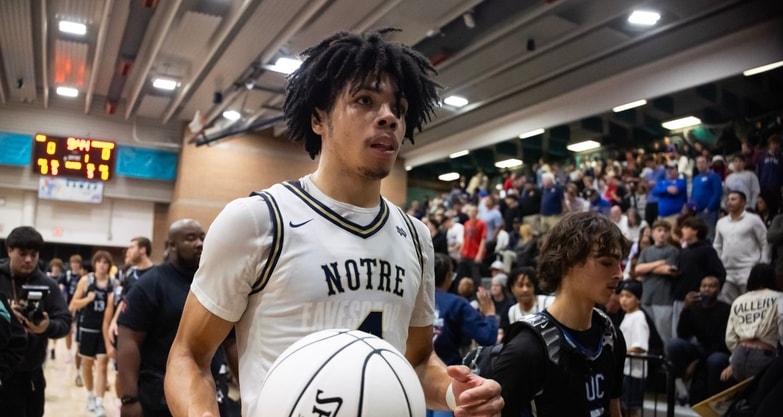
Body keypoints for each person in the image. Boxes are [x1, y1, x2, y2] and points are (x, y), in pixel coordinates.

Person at [164, 29, 503, 417]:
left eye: (399, 108)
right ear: (318, 118)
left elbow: (419, 362)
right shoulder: (259, 221)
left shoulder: (416, 236)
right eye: (364, 100)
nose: (389, 117)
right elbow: (188, 356)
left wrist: (459, 394)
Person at [491, 212, 629, 417]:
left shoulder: (612, 337)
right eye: (606, 262)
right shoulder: (527, 350)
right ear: (567, 262)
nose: (619, 274)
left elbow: (613, 408)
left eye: (620, 263)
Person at [117, 220, 231, 417]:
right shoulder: (150, 284)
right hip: (159, 397)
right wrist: (129, 398)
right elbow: (128, 341)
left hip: (211, 393)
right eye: (190, 238)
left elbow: (231, 340)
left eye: (202, 237)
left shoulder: (213, 283)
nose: (199, 243)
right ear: (172, 245)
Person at [0, 226, 72, 416]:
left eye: (34, 254)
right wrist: (6, 317)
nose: (29, 260)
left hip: (30, 374)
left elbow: (65, 321)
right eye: (22, 254)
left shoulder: (48, 284)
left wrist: (47, 326)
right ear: (9, 251)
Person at [665, 276, 731, 406]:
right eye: (703, 286)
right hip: (701, 349)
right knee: (673, 345)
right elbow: (682, 334)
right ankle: (680, 387)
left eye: (711, 286)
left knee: (714, 360)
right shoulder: (694, 308)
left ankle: (714, 403)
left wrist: (697, 363)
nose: (706, 289)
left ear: (719, 290)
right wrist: (686, 309)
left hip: (720, 350)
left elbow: (722, 342)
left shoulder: (726, 310)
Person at [722, 263, 783, 383]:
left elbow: (730, 336)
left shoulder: (739, 300)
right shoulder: (780, 297)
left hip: (739, 354)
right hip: (764, 355)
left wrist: (735, 355)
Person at [431, 253, 498, 374]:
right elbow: (487, 337)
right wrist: (490, 314)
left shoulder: (409, 299)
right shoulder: (457, 304)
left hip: (406, 371)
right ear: (448, 276)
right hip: (448, 374)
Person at [70, 250, 117, 417]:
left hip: (104, 329)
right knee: (87, 364)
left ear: (108, 265)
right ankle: (90, 395)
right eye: (99, 262)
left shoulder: (114, 283)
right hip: (87, 327)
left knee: (103, 364)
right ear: (95, 263)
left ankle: (99, 402)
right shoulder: (86, 280)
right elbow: (73, 303)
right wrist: (87, 300)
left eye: (105, 262)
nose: (102, 265)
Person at [713, 191, 769, 303]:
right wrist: (719, 264)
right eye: (728, 200)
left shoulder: (753, 220)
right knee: (729, 306)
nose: (729, 202)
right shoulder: (721, 222)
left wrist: (763, 263)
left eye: (733, 199)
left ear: (743, 202)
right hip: (727, 272)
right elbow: (717, 245)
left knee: (749, 304)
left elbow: (765, 241)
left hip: (748, 269)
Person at [617, 280, 649, 417]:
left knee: (631, 409)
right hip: (625, 370)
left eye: (628, 296)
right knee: (624, 407)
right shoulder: (628, 315)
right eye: (622, 295)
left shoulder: (638, 317)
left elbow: (640, 346)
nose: (623, 300)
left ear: (638, 299)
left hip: (634, 372)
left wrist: (621, 350)